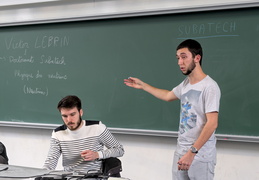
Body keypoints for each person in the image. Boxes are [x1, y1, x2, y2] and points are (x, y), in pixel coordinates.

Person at [124, 39, 220, 180]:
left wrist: (192, 152)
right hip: (181, 151)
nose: (179, 62)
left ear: (197, 58)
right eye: (178, 58)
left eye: (184, 57)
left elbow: (212, 123)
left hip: (200, 155)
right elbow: (168, 95)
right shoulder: (186, 84)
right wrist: (143, 85)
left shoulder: (209, 87)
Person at [43, 95, 124, 173]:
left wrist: (97, 154)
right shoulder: (58, 133)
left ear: (80, 112)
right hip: (69, 177)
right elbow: (50, 162)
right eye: (64, 116)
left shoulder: (97, 128)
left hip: (94, 176)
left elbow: (119, 150)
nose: (69, 120)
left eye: (72, 114)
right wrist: (41, 174)